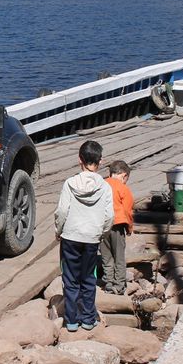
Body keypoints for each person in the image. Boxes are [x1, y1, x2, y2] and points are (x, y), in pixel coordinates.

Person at [54, 140, 113, 332]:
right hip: (91, 238)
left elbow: (62, 211)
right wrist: (102, 233)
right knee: (89, 278)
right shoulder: (105, 187)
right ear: (100, 161)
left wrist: (59, 231)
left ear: (80, 160)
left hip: (71, 237)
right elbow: (109, 216)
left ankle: (71, 320)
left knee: (70, 279)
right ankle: (88, 319)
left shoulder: (70, 184)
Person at [101, 160, 134, 295]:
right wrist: (129, 227)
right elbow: (127, 210)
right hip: (117, 224)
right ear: (124, 175)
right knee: (119, 256)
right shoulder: (123, 188)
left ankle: (108, 283)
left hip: (102, 226)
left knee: (106, 255)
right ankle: (119, 285)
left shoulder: (101, 185)